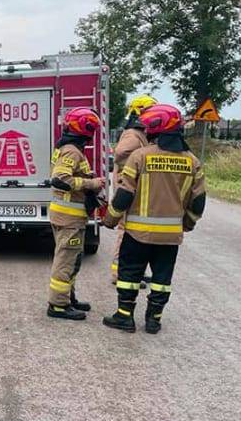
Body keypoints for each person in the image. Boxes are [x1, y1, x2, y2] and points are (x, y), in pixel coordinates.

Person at [102, 104, 206, 334]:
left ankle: (124, 317)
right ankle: (154, 320)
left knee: (129, 276)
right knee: (161, 279)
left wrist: (110, 220)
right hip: (170, 237)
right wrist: (186, 223)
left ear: (156, 129)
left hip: (137, 234)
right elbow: (198, 201)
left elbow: (124, 195)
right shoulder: (192, 161)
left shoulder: (141, 157)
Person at [47, 107, 105, 320]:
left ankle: (67, 298)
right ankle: (58, 305)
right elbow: (60, 179)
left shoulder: (69, 147)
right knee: (66, 259)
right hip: (68, 217)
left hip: (69, 216)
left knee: (72, 259)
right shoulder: (72, 150)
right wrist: (92, 183)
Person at [110, 94, 157, 283]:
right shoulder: (133, 134)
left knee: (133, 232)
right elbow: (120, 153)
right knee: (125, 231)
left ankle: (130, 271)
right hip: (127, 188)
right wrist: (139, 160)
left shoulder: (139, 133)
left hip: (131, 187)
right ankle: (118, 272)